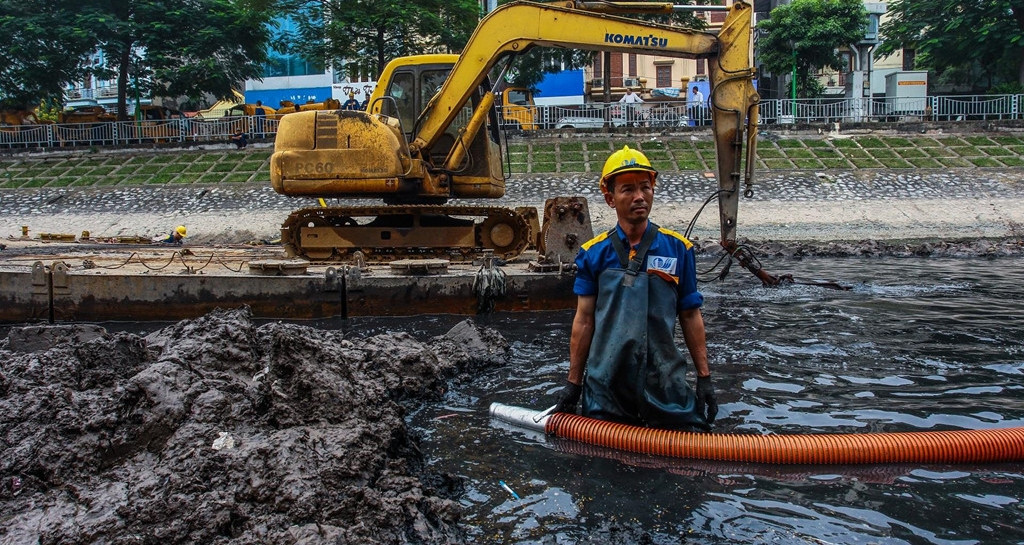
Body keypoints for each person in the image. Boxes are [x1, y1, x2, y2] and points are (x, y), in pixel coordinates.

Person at [551, 145, 718, 431]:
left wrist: (704, 379)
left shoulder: (679, 249)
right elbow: (584, 320)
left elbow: (690, 315)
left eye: (645, 187)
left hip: (665, 384)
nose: (639, 196)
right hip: (606, 388)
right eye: (627, 189)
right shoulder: (593, 254)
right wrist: (573, 384)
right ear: (610, 198)